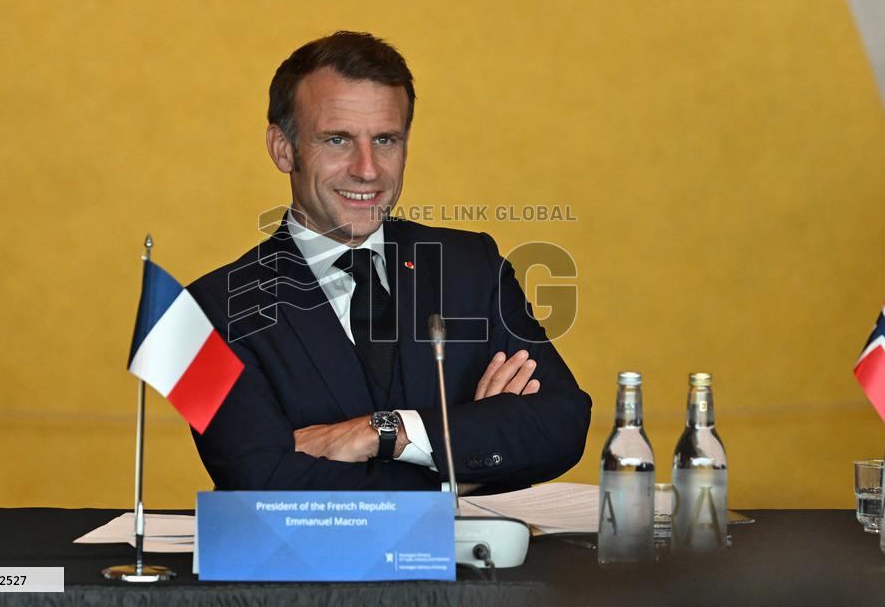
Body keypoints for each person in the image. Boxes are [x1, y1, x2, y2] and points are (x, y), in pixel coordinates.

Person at [187, 31, 591, 492]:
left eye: (385, 140)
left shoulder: (473, 266)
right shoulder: (200, 313)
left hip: (471, 566)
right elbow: (252, 480)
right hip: (307, 567)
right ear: (283, 148)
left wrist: (385, 432)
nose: (367, 169)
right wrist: (458, 468)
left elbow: (563, 422)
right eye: (337, 140)